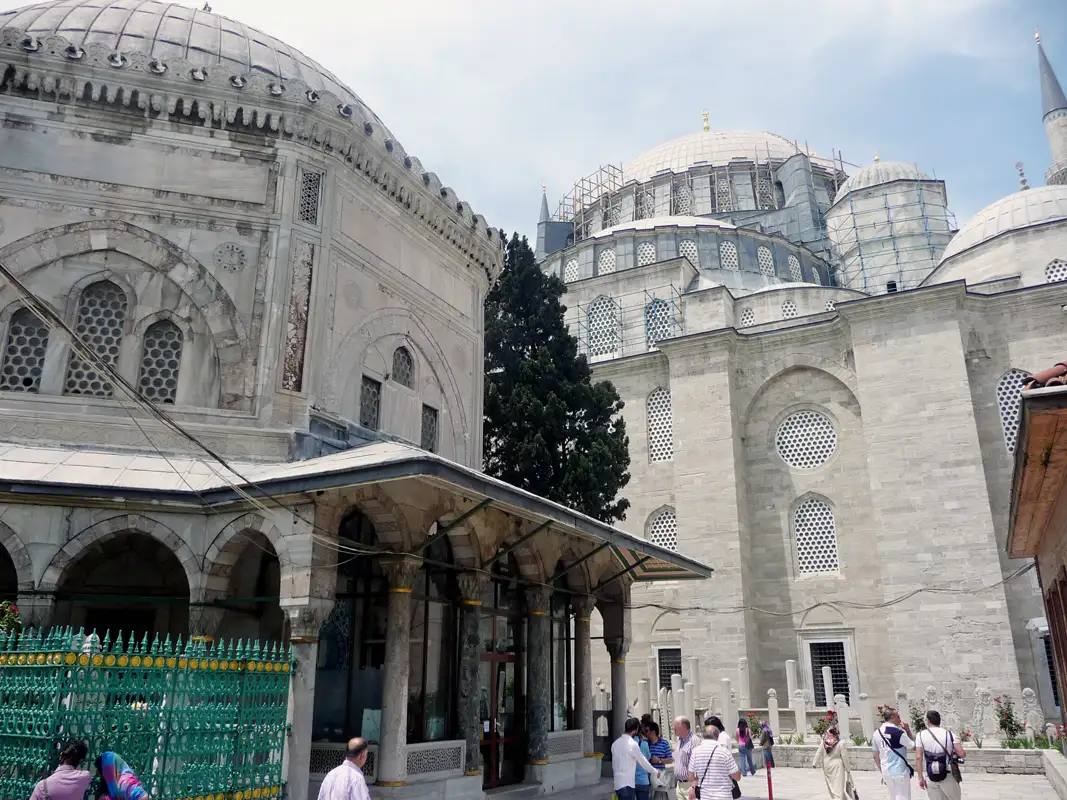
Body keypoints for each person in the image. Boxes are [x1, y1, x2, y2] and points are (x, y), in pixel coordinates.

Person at [915, 710, 965, 800]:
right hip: (948, 774)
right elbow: (962, 754)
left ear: (928, 721)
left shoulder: (920, 735)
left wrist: (920, 778)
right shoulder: (950, 734)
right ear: (939, 720)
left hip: (931, 775)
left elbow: (918, 757)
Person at [687, 723, 741, 800]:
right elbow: (737, 777)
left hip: (705, 796)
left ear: (703, 736)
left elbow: (691, 777)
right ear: (718, 735)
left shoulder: (695, 752)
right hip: (724, 796)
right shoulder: (724, 751)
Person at [872, 707, 915, 800]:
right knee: (903, 797)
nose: (900, 719)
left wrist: (882, 770)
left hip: (886, 771)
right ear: (892, 717)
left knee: (893, 796)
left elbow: (875, 756)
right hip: (899, 771)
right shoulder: (898, 732)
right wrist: (907, 730)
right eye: (898, 716)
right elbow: (913, 747)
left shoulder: (876, 733)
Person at [612, 717, 659, 800]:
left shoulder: (615, 744)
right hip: (627, 784)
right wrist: (654, 771)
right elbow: (643, 761)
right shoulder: (632, 744)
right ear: (635, 730)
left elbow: (614, 764)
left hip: (617, 784)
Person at [813, 726, 857, 800]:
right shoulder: (840, 743)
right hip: (837, 767)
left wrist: (814, 763)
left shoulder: (824, 742)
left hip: (827, 767)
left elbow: (819, 752)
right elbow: (845, 757)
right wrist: (848, 769)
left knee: (832, 787)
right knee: (838, 789)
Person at [673, 716, 697, 800]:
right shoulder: (679, 739)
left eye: (676, 726)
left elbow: (698, 766)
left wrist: (693, 787)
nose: (673, 728)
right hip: (679, 785)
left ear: (684, 727)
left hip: (690, 785)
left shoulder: (694, 741)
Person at [635, 724, 653, 800]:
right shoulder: (644, 744)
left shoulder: (626, 744)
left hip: (629, 781)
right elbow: (648, 758)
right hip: (643, 781)